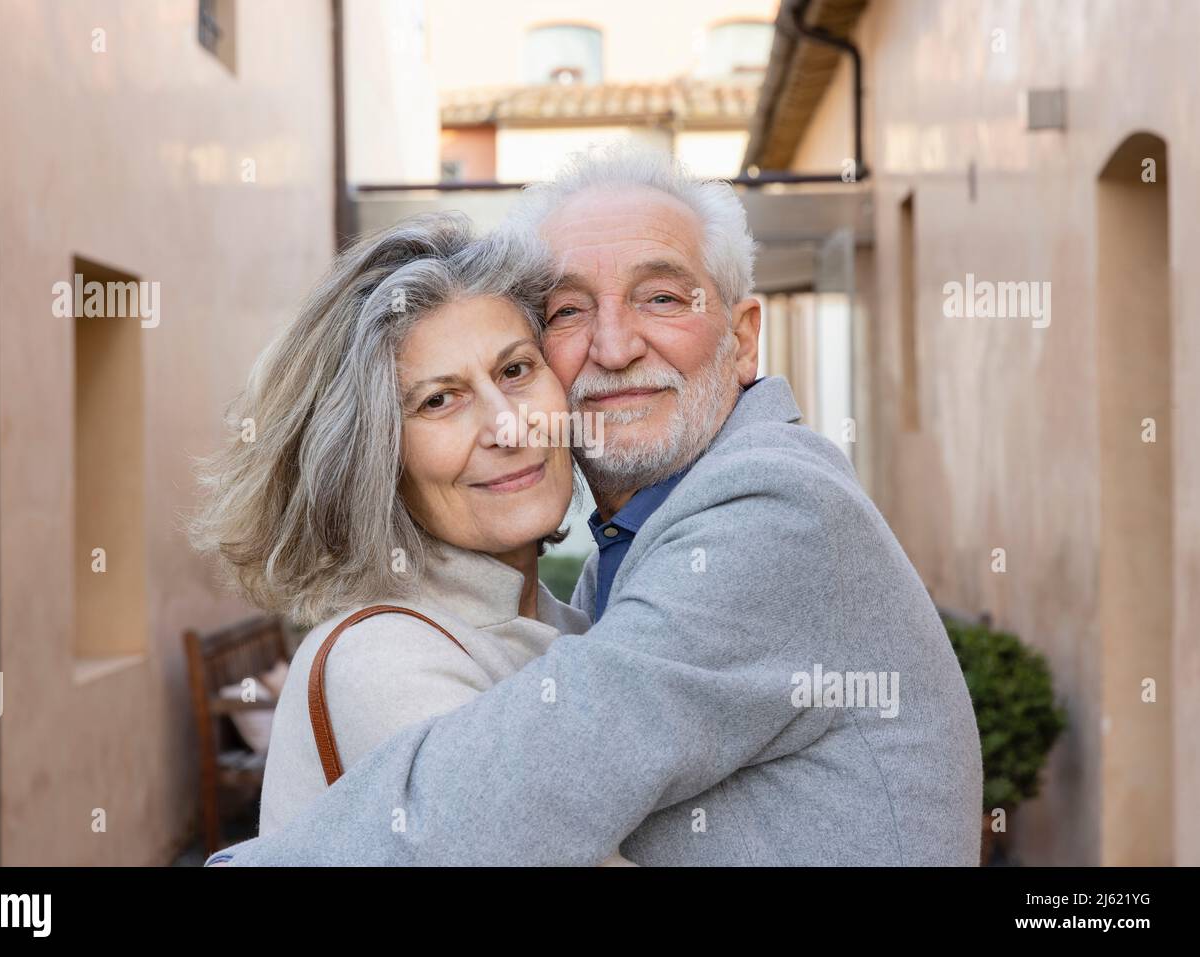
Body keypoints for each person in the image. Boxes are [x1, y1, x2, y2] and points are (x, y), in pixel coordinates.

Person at [205, 147, 983, 866]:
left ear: (744, 341)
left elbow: (500, 799)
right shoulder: (588, 584)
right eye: (571, 311)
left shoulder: (775, 510)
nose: (615, 347)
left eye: (662, 296)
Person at [191, 213, 634, 865]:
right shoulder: (385, 659)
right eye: (438, 401)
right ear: (378, 461)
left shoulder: (569, 623)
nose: (507, 426)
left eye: (515, 370)